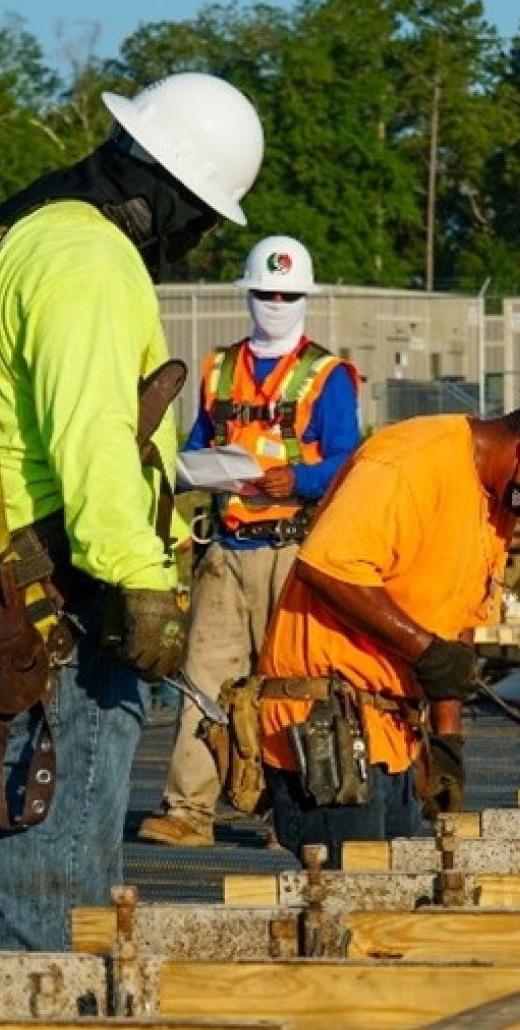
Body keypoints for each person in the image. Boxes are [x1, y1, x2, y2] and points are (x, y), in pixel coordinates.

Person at [0, 72, 265, 950]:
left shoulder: (12, 233)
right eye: (199, 217)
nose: (193, 241)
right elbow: (93, 439)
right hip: (59, 591)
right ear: (165, 194)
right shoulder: (88, 257)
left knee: (31, 850)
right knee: (58, 890)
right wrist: (145, 588)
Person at [255, 361, 520, 867]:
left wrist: (447, 744)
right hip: (326, 722)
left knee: (391, 916)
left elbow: (450, 638)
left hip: (392, 734)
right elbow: (326, 567)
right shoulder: (411, 461)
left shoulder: (495, 505)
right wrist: (424, 651)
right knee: (348, 911)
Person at [137, 235, 361, 847]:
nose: (276, 303)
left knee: (291, 682)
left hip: (292, 549)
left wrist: (304, 478)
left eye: (288, 294)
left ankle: (290, 815)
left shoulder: (330, 377)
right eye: (265, 293)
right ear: (248, 295)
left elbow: (349, 461)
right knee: (204, 677)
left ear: (305, 298)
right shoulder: (218, 370)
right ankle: (189, 812)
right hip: (226, 550)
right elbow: (192, 447)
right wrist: (193, 469)